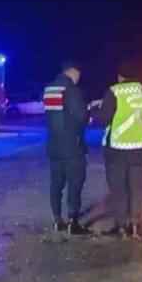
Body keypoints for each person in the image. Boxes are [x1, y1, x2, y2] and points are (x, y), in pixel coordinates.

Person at [98, 67, 142, 239]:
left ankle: (121, 227)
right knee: (136, 189)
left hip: (117, 149)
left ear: (120, 76)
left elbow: (104, 118)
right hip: (139, 149)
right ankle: (135, 226)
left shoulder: (115, 92)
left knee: (119, 189)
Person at [42, 60, 90, 234]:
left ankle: (56, 219)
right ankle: (73, 221)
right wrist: (88, 114)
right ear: (72, 72)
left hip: (54, 145)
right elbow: (81, 116)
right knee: (75, 182)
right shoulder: (72, 90)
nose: (79, 78)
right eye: (78, 74)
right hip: (72, 146)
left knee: (56, 183)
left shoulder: (49, 89)